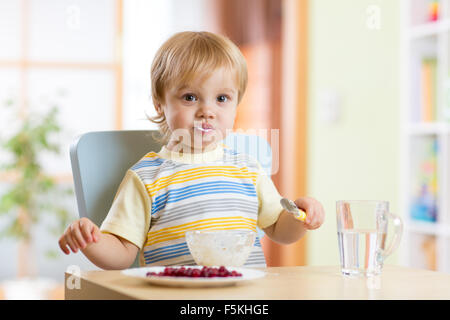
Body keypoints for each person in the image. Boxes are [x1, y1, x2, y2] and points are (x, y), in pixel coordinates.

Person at [58, 31, 325, 269]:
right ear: (160, 103)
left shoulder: (248, 169)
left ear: (236, 104)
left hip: (243, 298)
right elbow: (122, 254)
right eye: (190, 97)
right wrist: (92, 241)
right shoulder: (146, 177)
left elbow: (279, 229)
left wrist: (300, 217)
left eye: (222, 99)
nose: (207, 111)